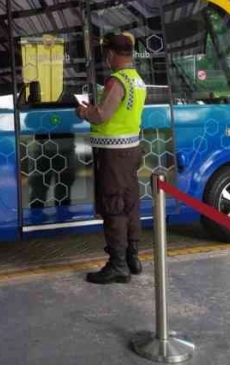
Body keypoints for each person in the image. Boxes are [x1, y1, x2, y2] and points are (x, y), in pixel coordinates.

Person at [76, 33, 147, 284]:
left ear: (111, 54)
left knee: (113, 206)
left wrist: (84, 111)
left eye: (106, 53)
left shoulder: (116, 81)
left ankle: (117, 265)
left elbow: (102, 115)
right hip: (132, 150)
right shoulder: (137, 80)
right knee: (130, 204)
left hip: (113, 154)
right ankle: (132, 258)